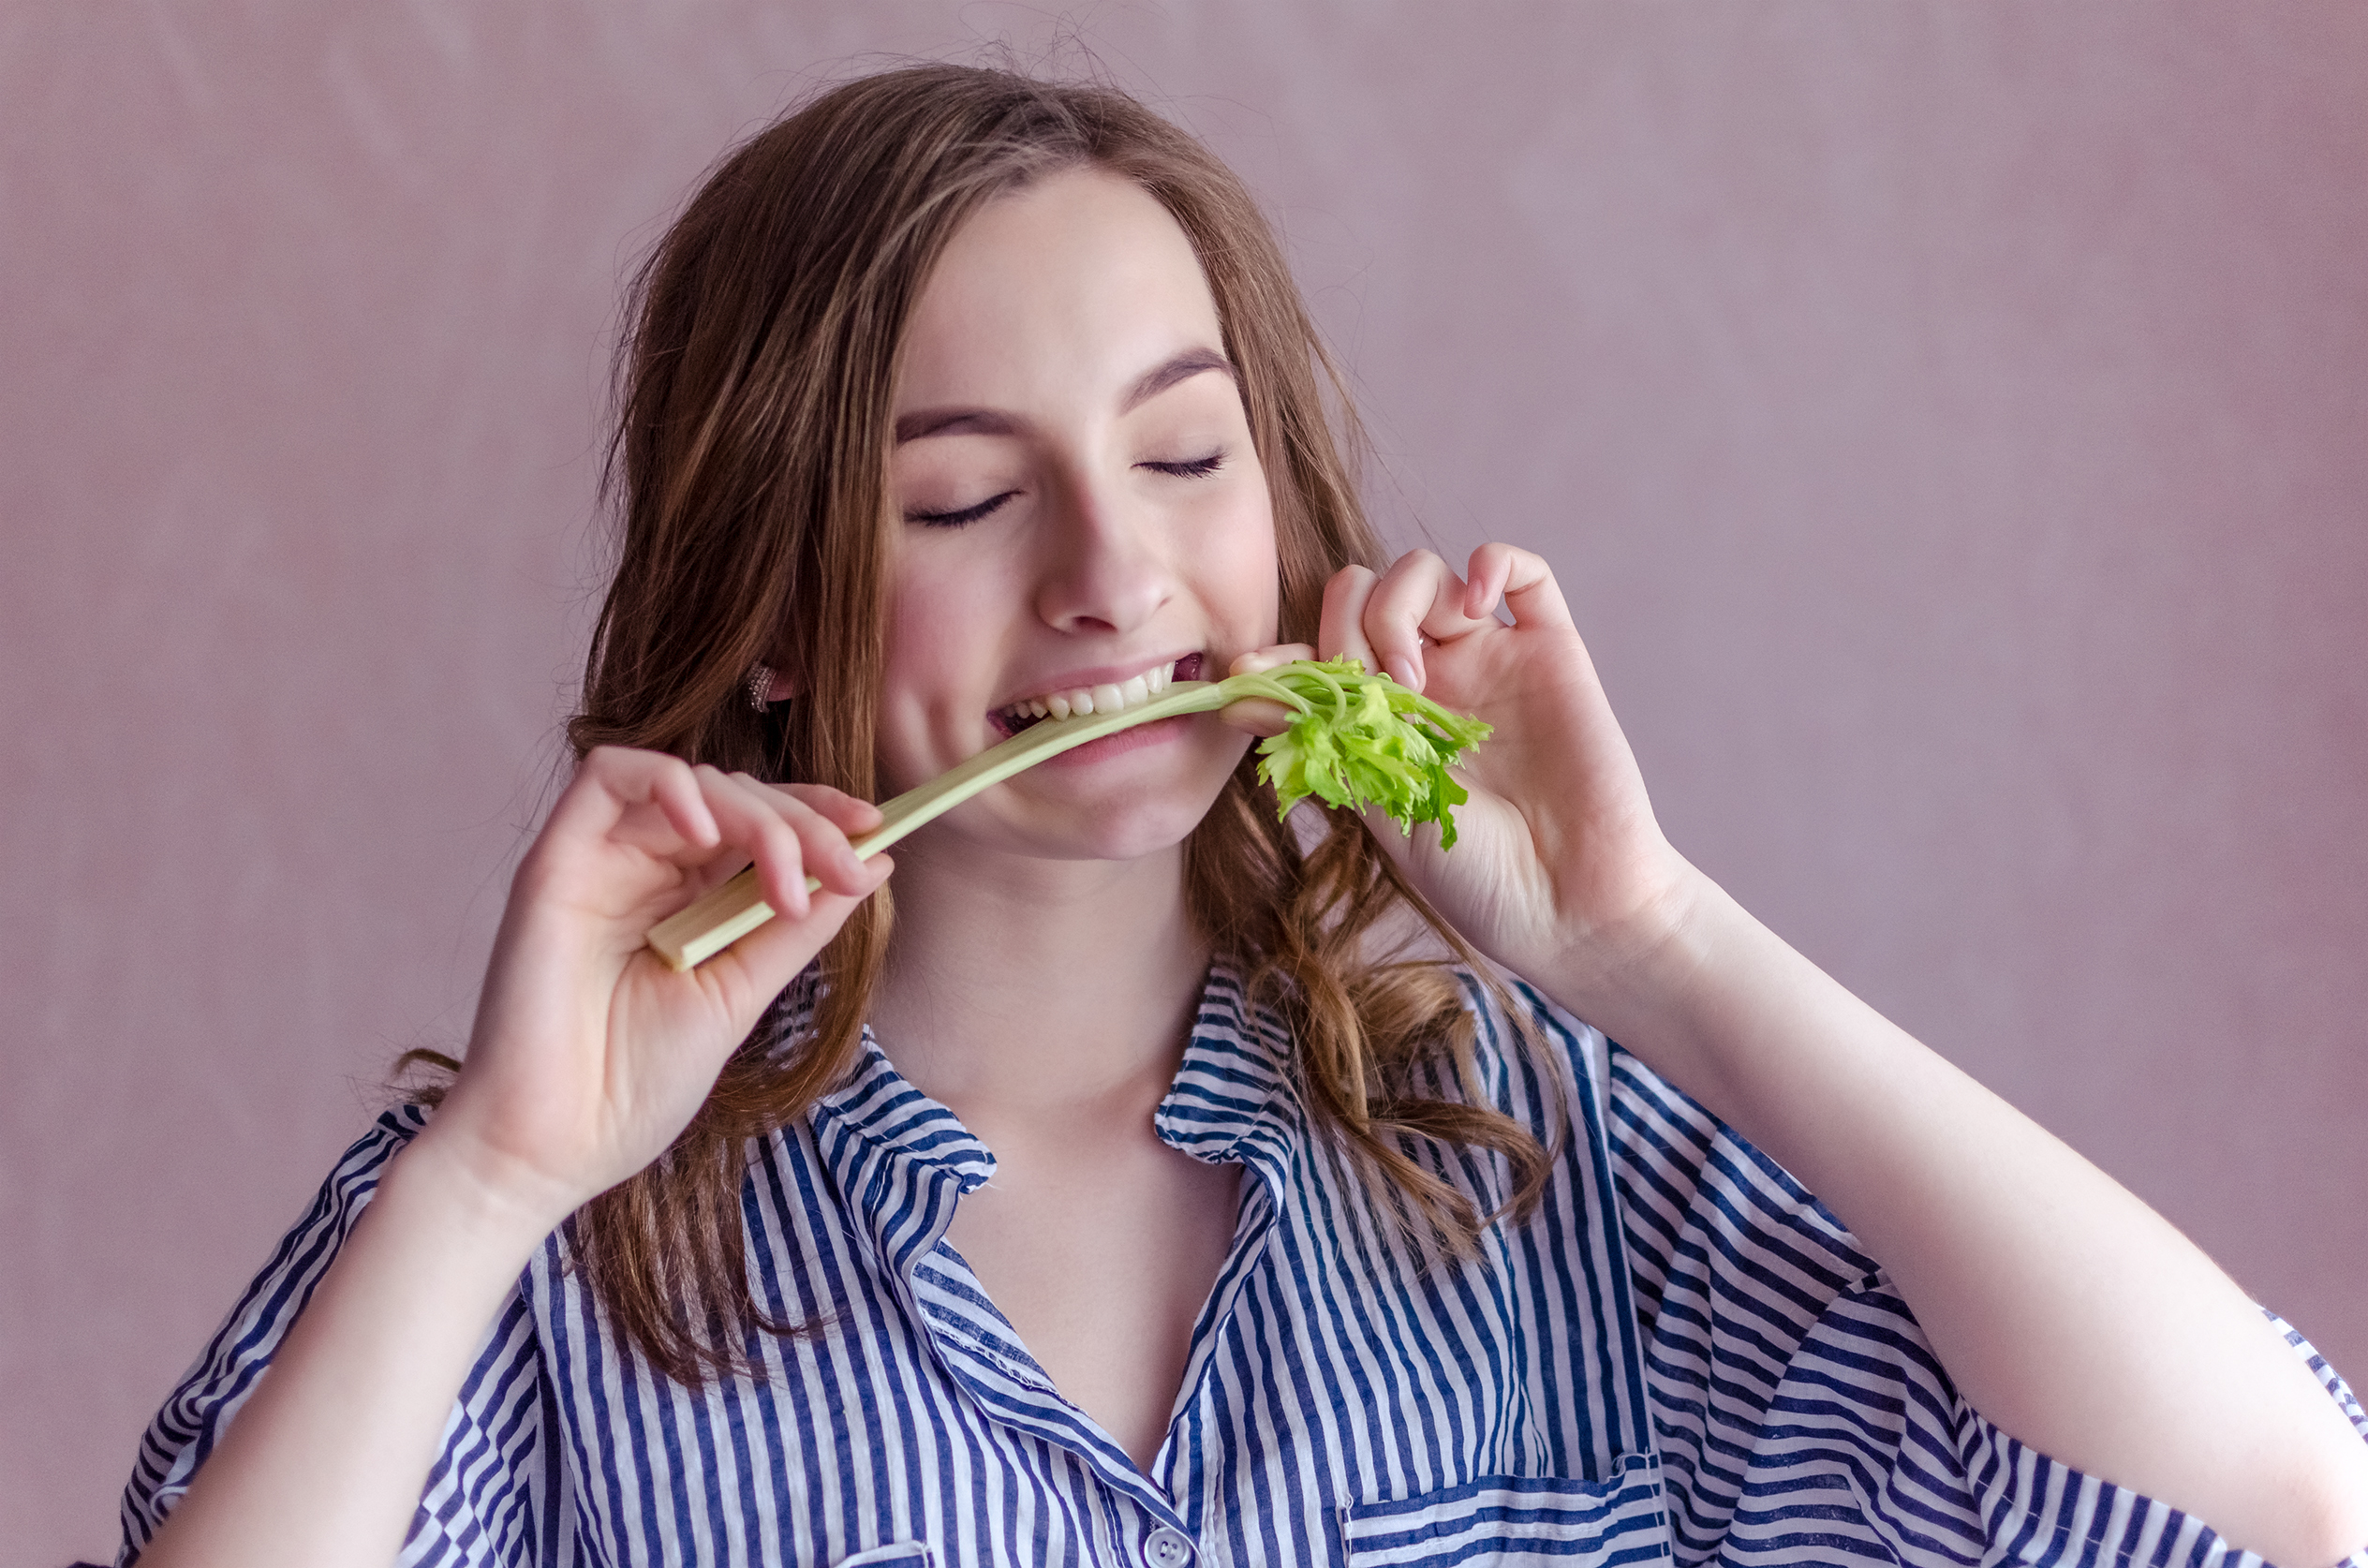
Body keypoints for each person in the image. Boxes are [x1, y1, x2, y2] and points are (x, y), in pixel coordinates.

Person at [114, 65, 2368, 1568]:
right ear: (770, 608)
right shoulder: (558, 1230)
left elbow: (2268, 1504)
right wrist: (496, 1173)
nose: (1111, 571)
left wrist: (1645, 941)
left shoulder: (1519, 1143)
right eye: (965, 495)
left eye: (1186, 459)